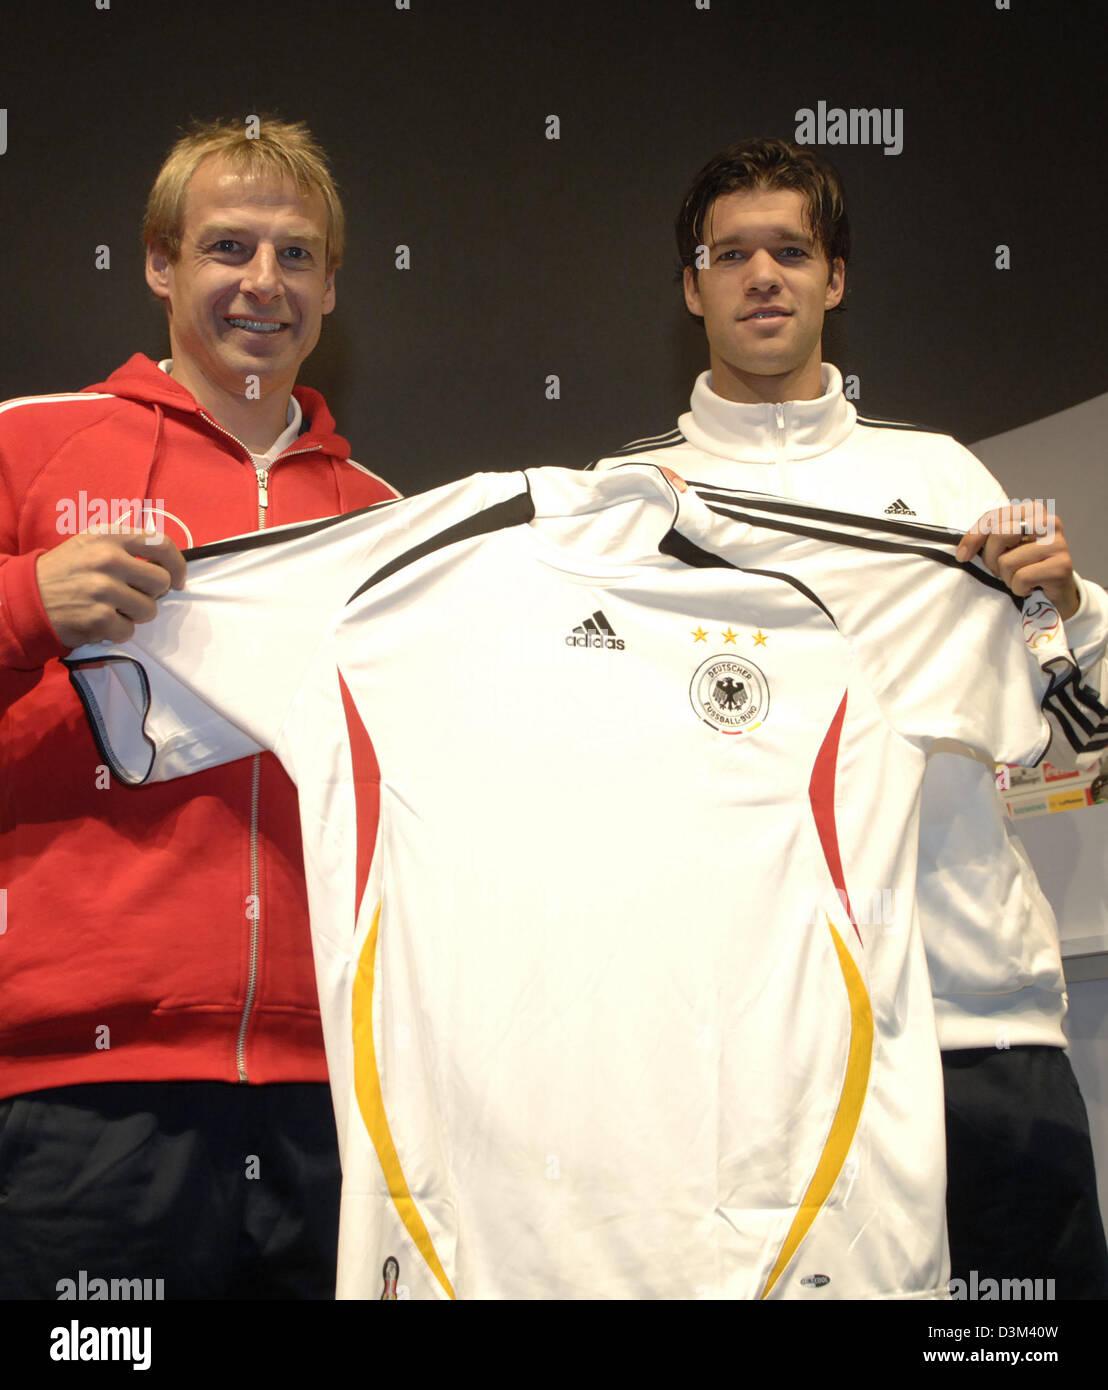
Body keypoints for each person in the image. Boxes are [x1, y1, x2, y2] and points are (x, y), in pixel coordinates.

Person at [591, 136, 1108, 1298]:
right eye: (731, 254)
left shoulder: (943, 482)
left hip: (974, 1023)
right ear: (692, 287)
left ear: (835, 278)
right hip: (738, 1049)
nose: (761, 275)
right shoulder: (616, 506)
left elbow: (1089, 712)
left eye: (791, 250)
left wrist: (1064, 606)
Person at [0, 117, 398, 1299]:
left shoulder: (384, 515)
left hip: (331, 1094)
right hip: (84, 1097)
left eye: (294, 255)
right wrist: (27, 600)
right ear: (160, 263)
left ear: (331, 283)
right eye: (228, 247)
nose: (261, 284)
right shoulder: (31, 445)